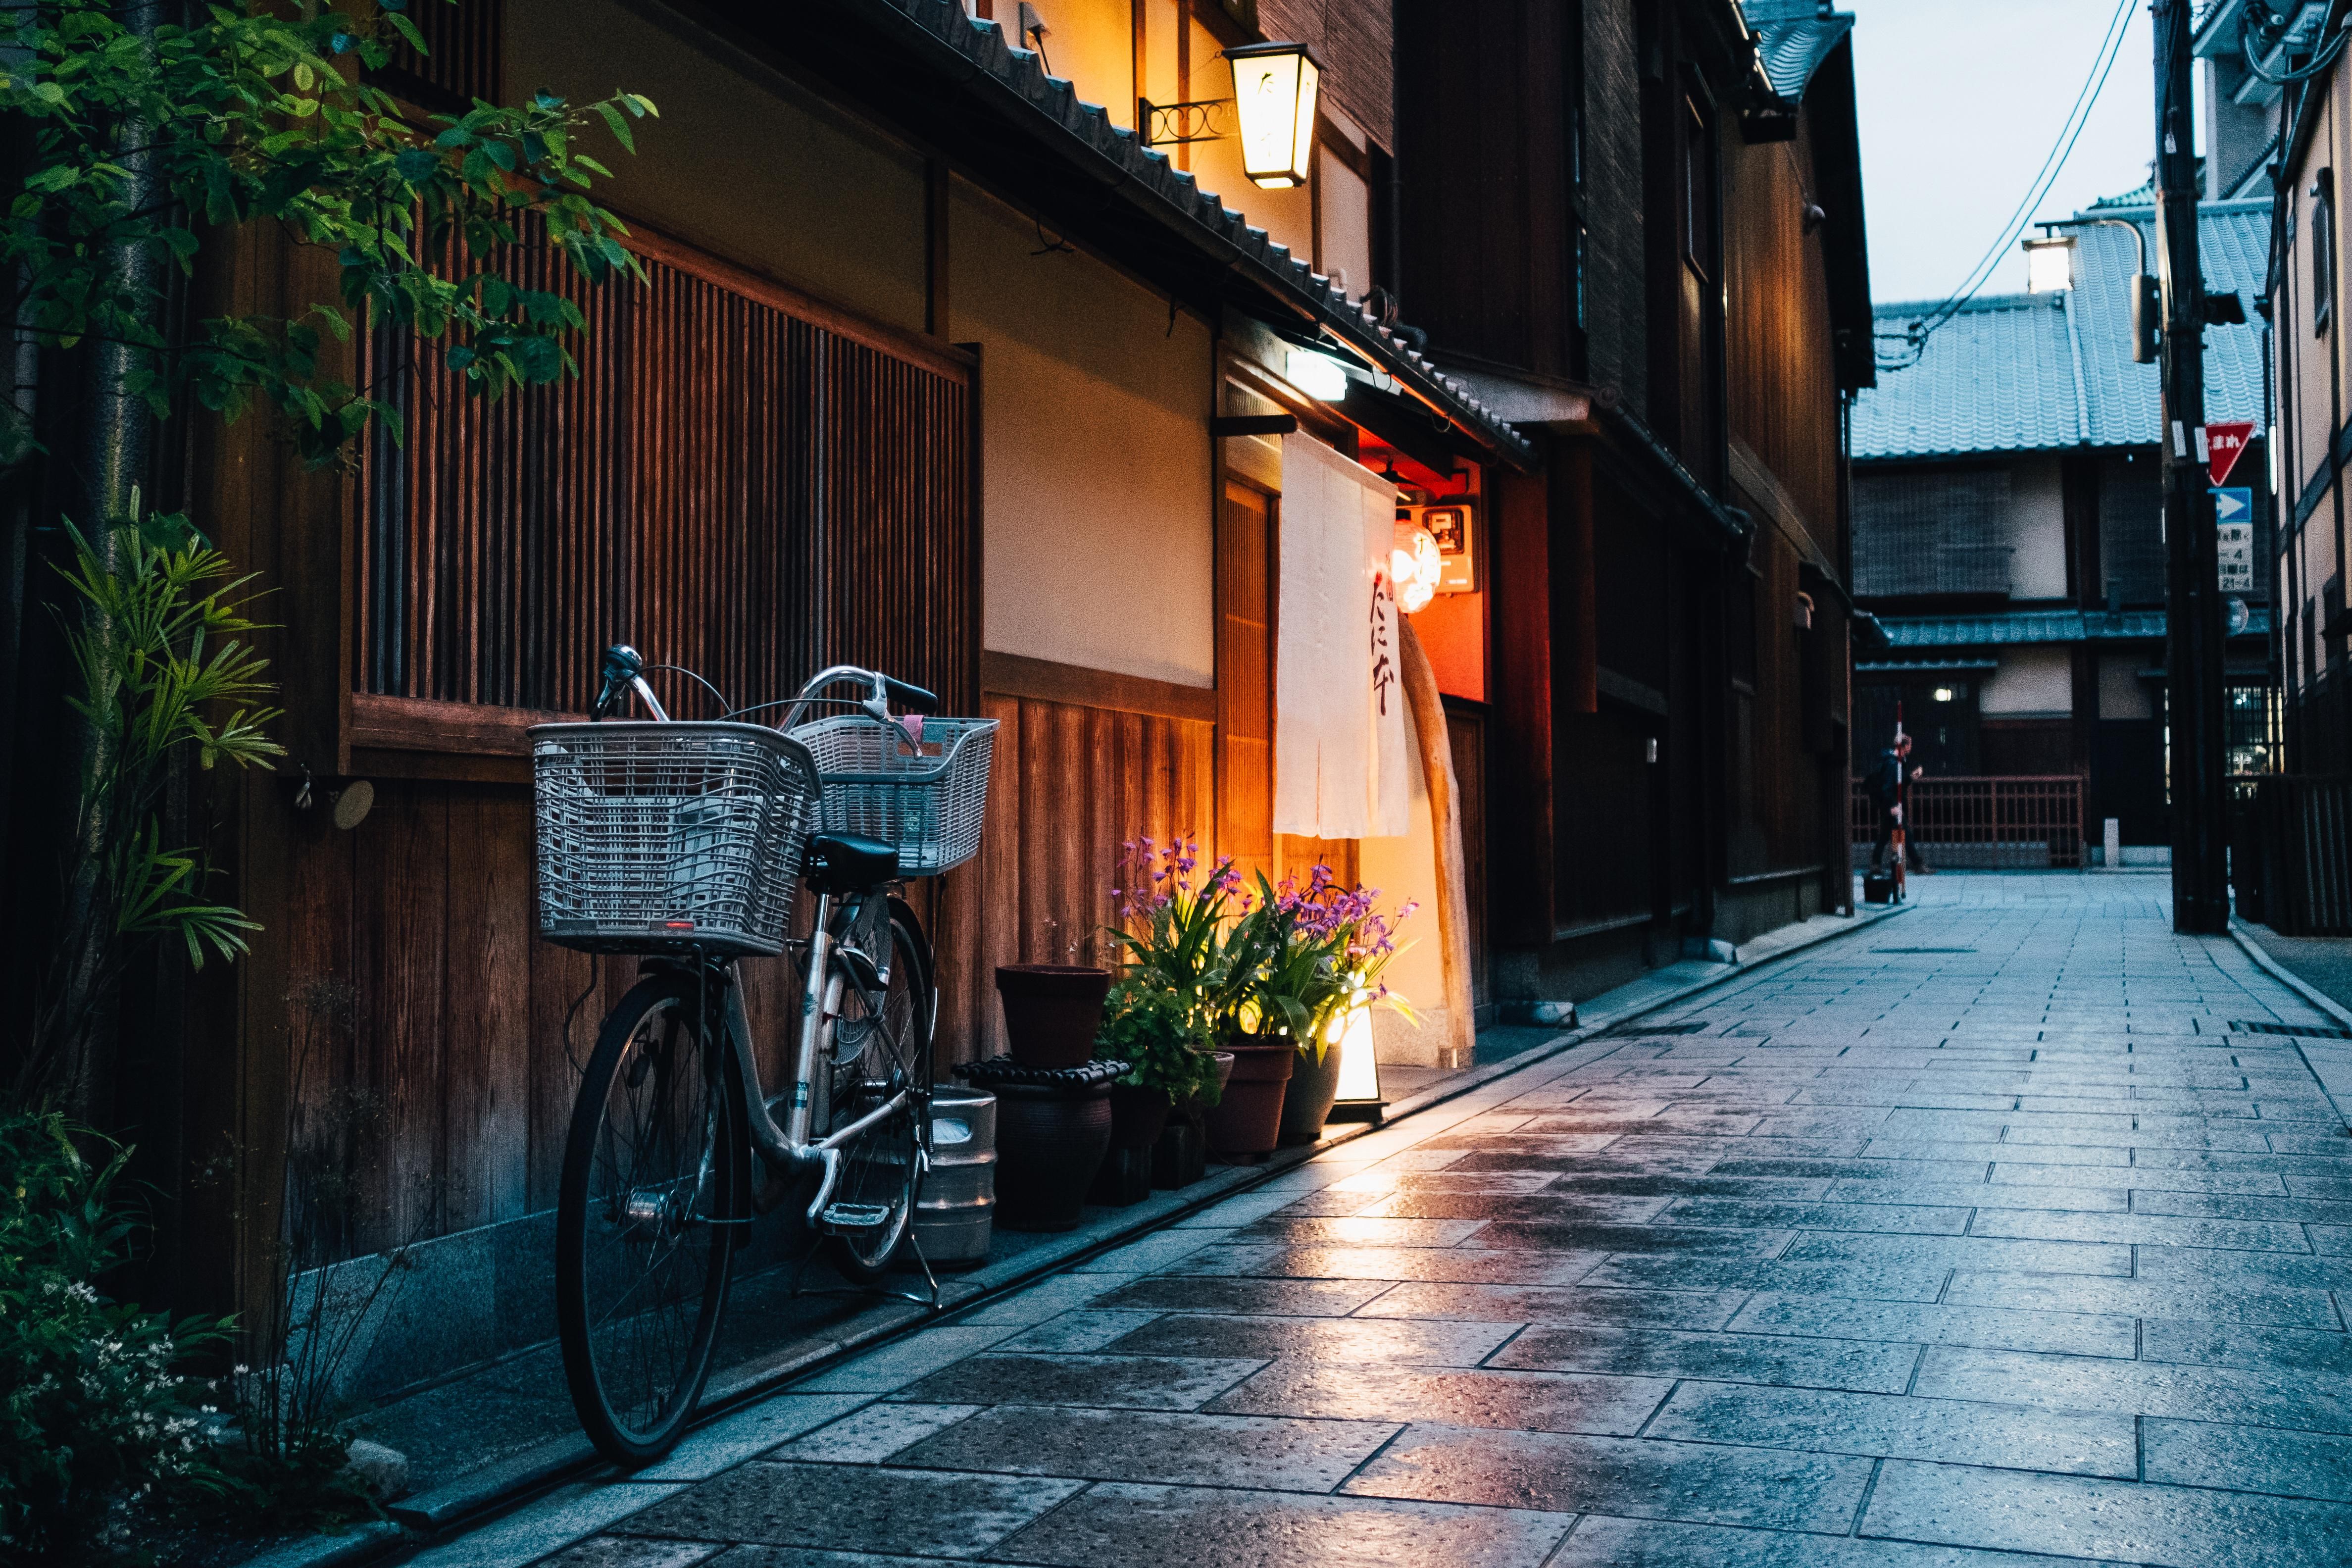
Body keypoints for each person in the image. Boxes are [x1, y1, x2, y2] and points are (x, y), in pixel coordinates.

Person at [1867, 734, 1933, 875]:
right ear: (1904, 746)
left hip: (1888, 805)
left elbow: (1899, 784)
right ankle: (1917, 864)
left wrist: (1911, 777)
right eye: (1909, 745)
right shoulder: (1894, 763)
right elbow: (1889, 787)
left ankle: (1875, 864)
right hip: (1892, 805)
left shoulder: (1896, 761)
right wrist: (1893, 806)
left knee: (1885, 835)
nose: (1911, 747)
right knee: (1906, 834)